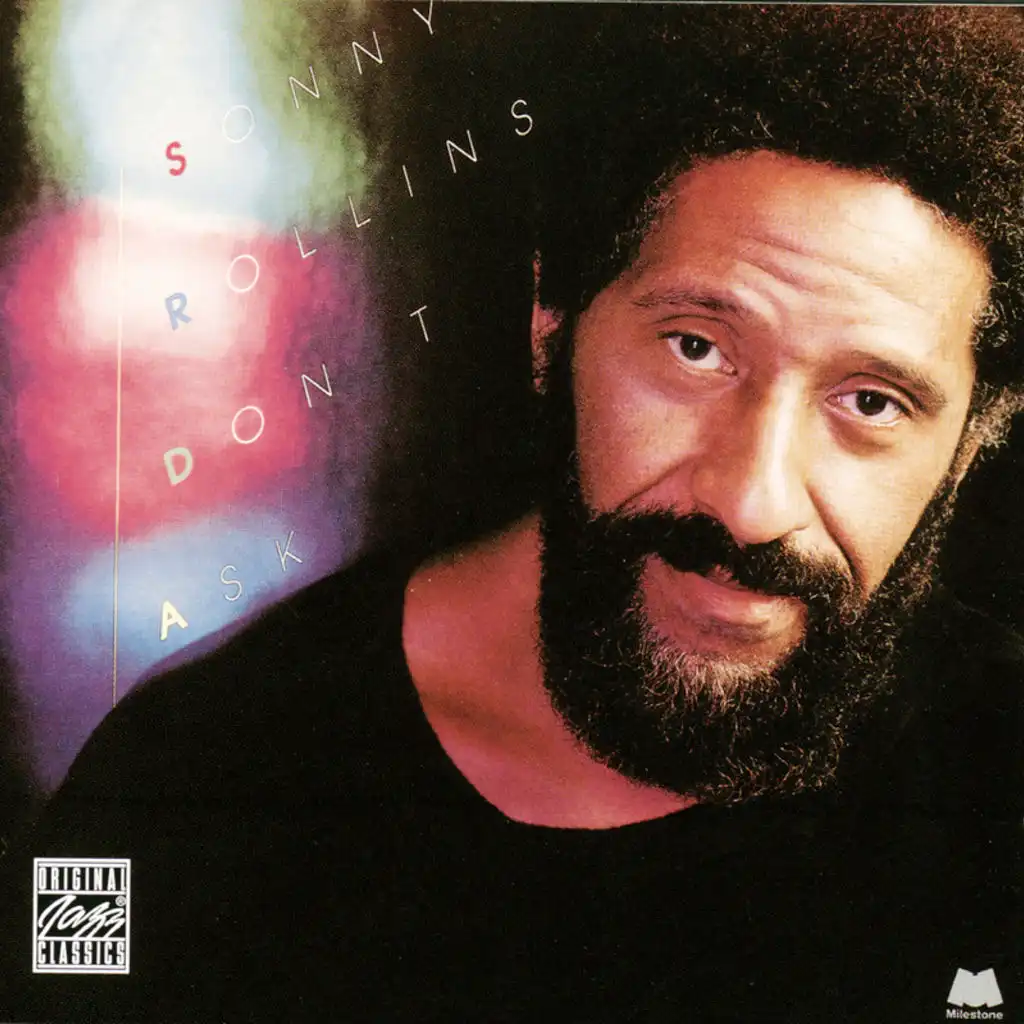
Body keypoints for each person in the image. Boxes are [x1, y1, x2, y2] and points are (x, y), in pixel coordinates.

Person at [2, 5, 1023, 1021]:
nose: (752, 504)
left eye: (871, 403)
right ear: (551, 326)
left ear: (973, 439)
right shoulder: (185, 785)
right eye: (695, 348)